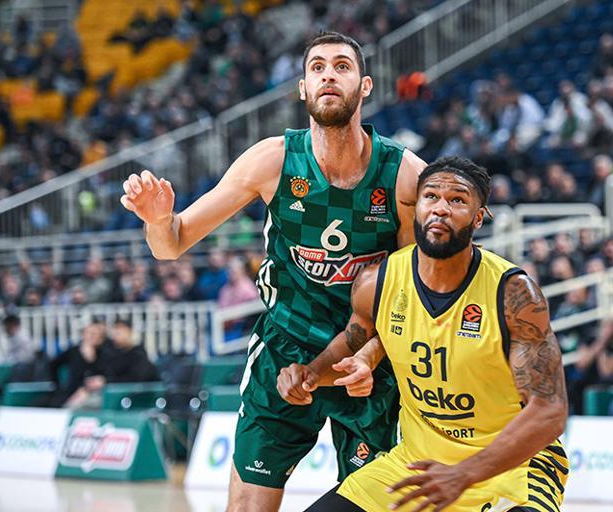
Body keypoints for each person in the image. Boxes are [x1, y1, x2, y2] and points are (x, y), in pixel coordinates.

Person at [119, 31, 426, 511]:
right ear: (303, 88)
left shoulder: (405, 175)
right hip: (286, 347)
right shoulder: (273, 160)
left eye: (342, 66)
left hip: (367, 357)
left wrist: (372, 354)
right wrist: (158, 221)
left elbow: (414, 294)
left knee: (375, 505)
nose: (328, 75)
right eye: (317, 67)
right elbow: (171, 244)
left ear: (365, 86)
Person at [278, 156, 569, 512]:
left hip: (511, 469)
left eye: (457, 200)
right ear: (416, 208)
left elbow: (549, 412)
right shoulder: (377, 282)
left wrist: (463, 474)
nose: (441, 208)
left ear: (478, 218)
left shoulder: (514, 294)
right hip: (417, 465)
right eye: (431, 196)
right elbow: (352, 343)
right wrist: (310, 375)